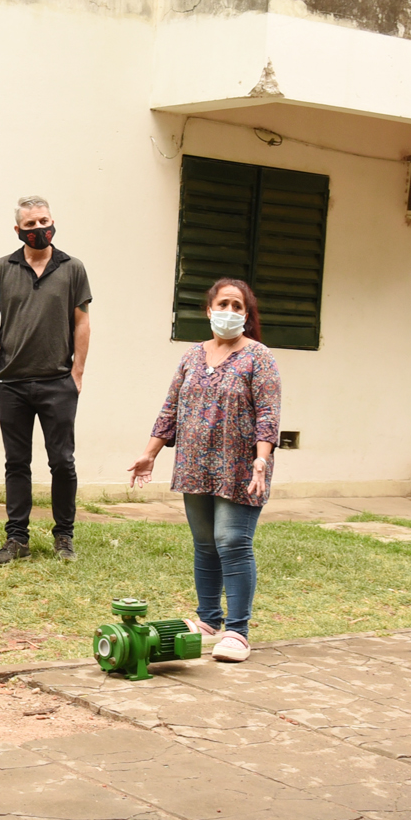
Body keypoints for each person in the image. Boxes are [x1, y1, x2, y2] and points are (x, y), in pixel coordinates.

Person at [127, 277, 281, 662]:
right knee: (205, 545)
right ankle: (209, 620)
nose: (229, 312)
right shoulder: (192, 356)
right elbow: (170, 408)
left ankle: (238, 632)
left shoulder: (259, 357)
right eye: (223, 304)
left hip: (241, 467)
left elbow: (268, 415)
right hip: (195, 464)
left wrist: (261, 460)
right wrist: (150, 453)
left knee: (232, 541)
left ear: (247, 314)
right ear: (208, 309)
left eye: (237, 306)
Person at [0, 196, 92, 564]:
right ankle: (17, 539)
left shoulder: (73, 268)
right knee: (17, 462)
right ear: (18, 231)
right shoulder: (0, 268)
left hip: (58, 382)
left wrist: (77, 372)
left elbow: (82, 322)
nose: (38, 229)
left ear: (53, 222)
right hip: (10, 384)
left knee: (62, 462)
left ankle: (64, 537)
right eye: (30, 225)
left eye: (43, 221)